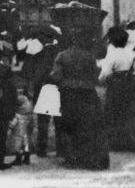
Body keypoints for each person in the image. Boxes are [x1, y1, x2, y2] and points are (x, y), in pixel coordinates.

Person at [50, 30, 109, 169]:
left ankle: (71, 158)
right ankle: (88, 157)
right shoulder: (89, 56)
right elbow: (95, 76)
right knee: (88, 125)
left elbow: (55, 76)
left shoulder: (62, 56)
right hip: (87, 93)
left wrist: (65, 82)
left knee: (69, 125)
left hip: (68, 93)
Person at [99, 26, 135, 151]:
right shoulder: (129, 51)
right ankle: (130, 142)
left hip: (116, 84)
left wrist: (100, 79)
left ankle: (116, 143)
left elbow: (106, 73)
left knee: (114, 111)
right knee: (129, 111)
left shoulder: (112, 53)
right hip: (129, 82)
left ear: (112, 40)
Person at [28, 26, 63, 158]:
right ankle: (61, 149)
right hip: (58, 88)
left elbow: (30, 73)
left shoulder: (37, 56)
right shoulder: (61, 53)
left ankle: (41, 150)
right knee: (59, 121)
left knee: (42, 121)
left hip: (43, 89)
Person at [8, 95, 34, 166]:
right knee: (26, 146)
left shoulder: (17, 115)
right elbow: (31, 124)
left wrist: (10, 128)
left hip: (18, 134)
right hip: (27, 134)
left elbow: (12, 123)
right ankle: (27, 159)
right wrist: (31, 130)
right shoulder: (30, 114)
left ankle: (18, 160)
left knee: (18, 147)